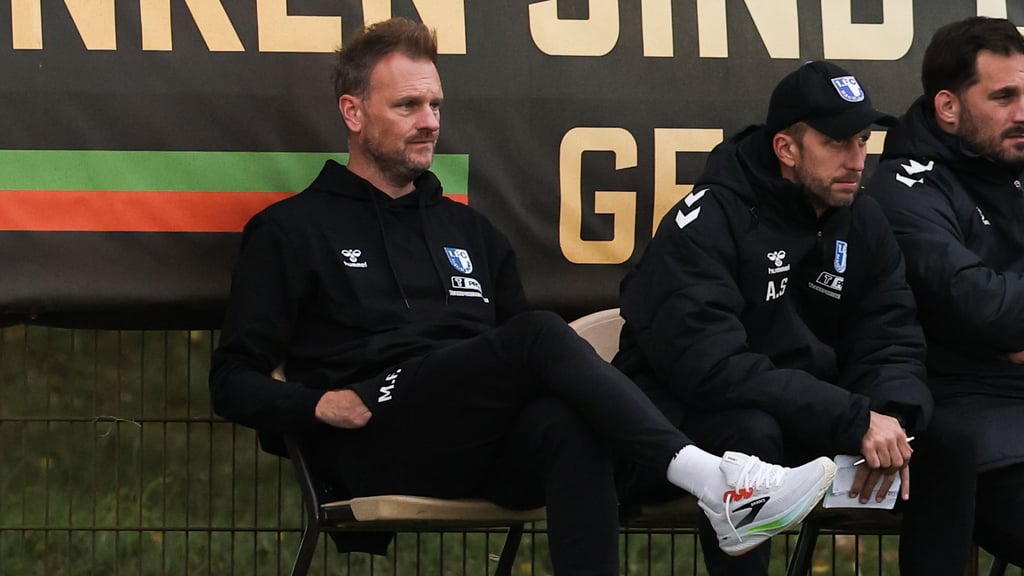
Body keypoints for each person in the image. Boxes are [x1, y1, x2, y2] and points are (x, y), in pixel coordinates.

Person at [207, 18, 836, 575]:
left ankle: (722, 481)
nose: (429, 122)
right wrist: (316, 404)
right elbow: (232, 380)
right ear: (352, 113)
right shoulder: (290, 230)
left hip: (478, 442)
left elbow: (517, 367)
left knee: (571, 425)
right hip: (377, 436)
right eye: (407, 106)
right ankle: (714, 480)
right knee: (537, 333)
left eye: (435, 105)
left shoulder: (471, 231)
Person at [615, 61, 951, 575]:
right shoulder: (707, 219)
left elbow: (891, 338)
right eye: (838, 143)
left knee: (949, 446)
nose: (857, 160)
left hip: (813, 416)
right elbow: (709, 367)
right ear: (786, 149)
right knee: (751, 436)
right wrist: (851, 418)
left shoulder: (863, 219)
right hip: (682, 430)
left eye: (863, 140)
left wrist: (890, 419)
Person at [865, 16, 1024, 568]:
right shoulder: (904, 188)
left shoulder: (1013, 161)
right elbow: (983, 307)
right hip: (972, 426)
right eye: (1003, 97)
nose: (1023, 112)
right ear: (948, 107)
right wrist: (1004, 318)